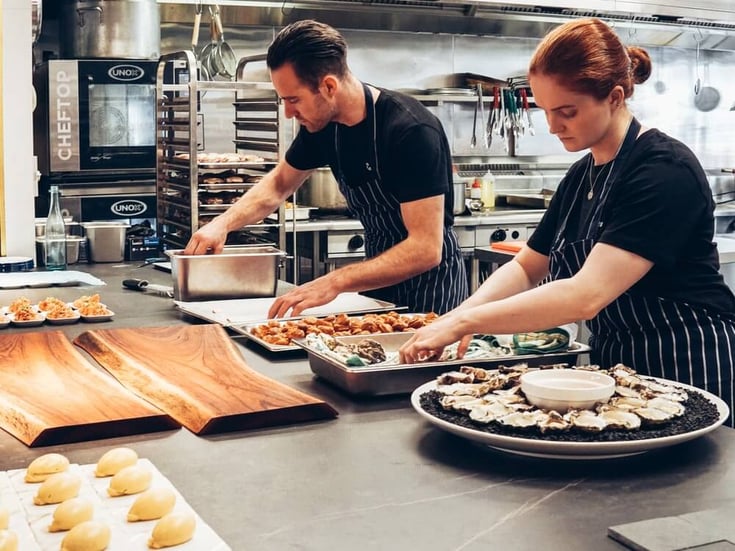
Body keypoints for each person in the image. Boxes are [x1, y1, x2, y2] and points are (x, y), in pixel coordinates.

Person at [399, 18, 735, 425]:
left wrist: (466, 321)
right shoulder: (582, 175)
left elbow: (585, 295)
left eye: (567, 112)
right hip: (619, 368)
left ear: (614, 97)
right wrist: (456, 317)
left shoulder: (663, 169)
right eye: (545, 111)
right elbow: (527, 266)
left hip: (687, 359)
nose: (554, 126)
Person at [184, 19, 467, 318]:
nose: (289, 113)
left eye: (294, 100)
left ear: (329, 86)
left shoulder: (410, 130)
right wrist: (222, 224)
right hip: (377, 283)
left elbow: (425, 248)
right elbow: (279, 184)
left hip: (432, 293)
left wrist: (335, 281)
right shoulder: (323, 127)